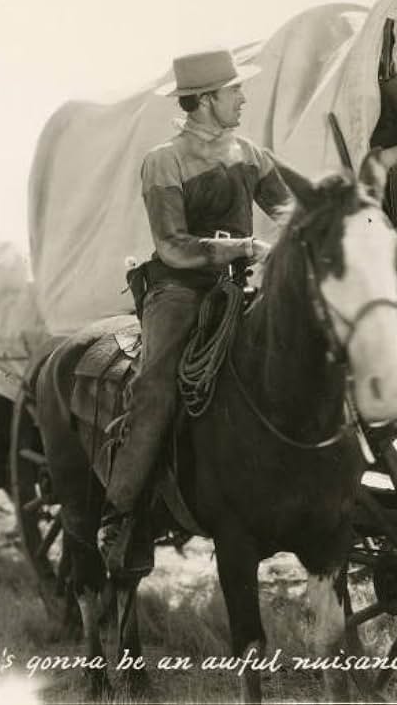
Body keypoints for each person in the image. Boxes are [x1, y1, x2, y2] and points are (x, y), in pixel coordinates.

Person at [99, 49, 294, 575]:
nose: (243, 98)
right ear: (206, 100)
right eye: (235, 92)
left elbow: (288, 210)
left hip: (237, 286)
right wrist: (246, 247)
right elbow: (175, 248)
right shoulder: (163, 160)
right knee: (156, 388)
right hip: (179, 292)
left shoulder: (252, 153)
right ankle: (118, 517)